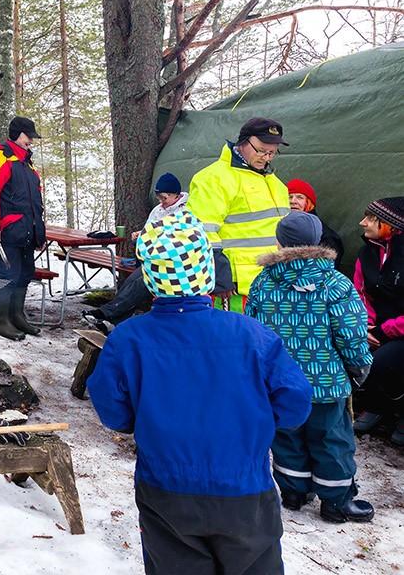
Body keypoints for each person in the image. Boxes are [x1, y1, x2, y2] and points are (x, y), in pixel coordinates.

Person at [87, 211, 312, 575]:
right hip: (244, 487)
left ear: (151, 276)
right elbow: (295, 402)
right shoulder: (252, 336)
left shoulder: (129, 339)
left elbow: (112, 409)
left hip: (165, 488)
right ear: (206, 269)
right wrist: (257, 423)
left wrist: (141, 418)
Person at [246, 211, 374, 523]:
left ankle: (293, 491)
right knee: (332, 439)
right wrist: (359, 366)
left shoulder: (263, 281)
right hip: (327, 382)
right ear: (318, 240)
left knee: (288, 435)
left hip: (281, 381)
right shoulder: (335, 283)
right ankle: (336, 501)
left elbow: (254, 330)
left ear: (280, 242)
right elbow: (352, 333)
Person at [186, 117, 291, 312]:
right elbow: (200, 230)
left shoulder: (276, 183)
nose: (266, 157)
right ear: (243, 142)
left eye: (272, 153)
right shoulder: (213, 179)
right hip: (236, 289)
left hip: (274, 284)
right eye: (261, 150)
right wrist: (219, 274)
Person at [82, 172, 188, 333]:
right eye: (160, 198)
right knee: (130, 281)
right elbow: (150, 230)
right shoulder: (158, 210)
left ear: (176, 195)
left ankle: (105, 314)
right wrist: (140, 235)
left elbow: (178, 238)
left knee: (142, 283)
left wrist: (152, 236)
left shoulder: (185, 211)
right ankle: (113, 321)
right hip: (154, 260)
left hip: (175, 264)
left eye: (164, 198)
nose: (162, 202)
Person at [0, 116, 45, 341]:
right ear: (18, 134)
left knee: (24, 274)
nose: (32, 142)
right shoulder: (0, 157)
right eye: (29, 137)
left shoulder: (27, 162)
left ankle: (17, 316)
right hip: (8, 230)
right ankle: (0, 321)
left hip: (28, 229)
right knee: (7, 274)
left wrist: (39, 228)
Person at [351, 197, 404, 446]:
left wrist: (384, 332)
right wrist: (364, 326)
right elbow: (359, 292)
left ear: (391, 225)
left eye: (371, 218)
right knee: (351, 350)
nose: (363, 223)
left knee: (385, 360)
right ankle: (375, 407)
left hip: (398, 330)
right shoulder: (367, 252)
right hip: (375, 328)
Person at [287, 178, 344, 268]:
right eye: (289, 197)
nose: (293, 201)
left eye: (299, 197)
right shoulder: (282, 230)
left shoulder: (326, 237)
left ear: (309, 203)